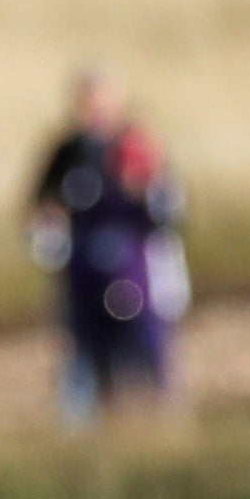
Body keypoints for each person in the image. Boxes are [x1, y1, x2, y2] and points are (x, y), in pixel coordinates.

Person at [30, 72, 186, 424]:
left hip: (135, 267)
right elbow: (40, 206)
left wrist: (144, 190)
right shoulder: (68, 151)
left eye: (99, 103)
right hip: (82, 269)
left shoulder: (137, 144)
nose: (92, 112)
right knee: (86, 350)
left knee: (145, 344)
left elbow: (169, 209)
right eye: (85, 104)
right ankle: (95, 424)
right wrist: (49, 235)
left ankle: (161, 419)